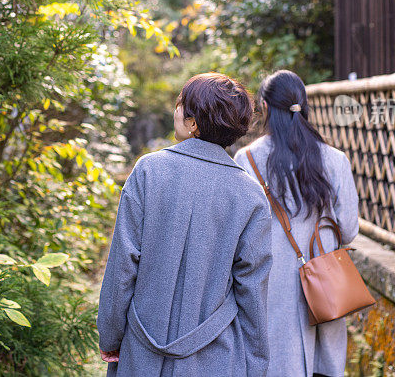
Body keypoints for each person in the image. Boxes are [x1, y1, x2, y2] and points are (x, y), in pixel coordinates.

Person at [97, 72, 273, 377]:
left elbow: (122, 266)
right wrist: (255, 364)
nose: (175, 110)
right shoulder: (249, 194)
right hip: (215, 355)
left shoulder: (149, 171)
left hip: (142, 351)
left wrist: (110, 336)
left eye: (180, 104)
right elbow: (252, 292)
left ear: (193, 123)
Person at [233, 70, 359, 377]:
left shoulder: (247, 160)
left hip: (268, 284)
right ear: (303, 104)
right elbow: (350, 229)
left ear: (263, 105)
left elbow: (237, 235)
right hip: (324, 284)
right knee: (323, 364)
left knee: (278, 363)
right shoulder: (335, 159)